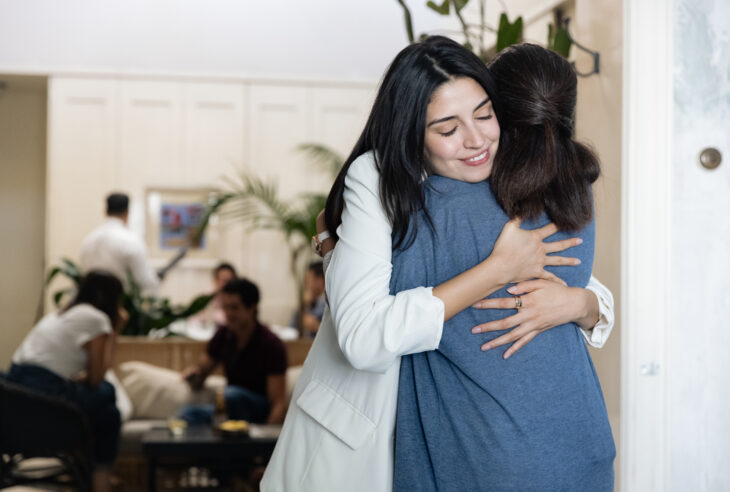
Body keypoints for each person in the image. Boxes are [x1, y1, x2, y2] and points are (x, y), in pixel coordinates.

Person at [261, 37, 614, 492]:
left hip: (492, 451)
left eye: (485, 115)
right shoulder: (389, 183)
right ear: (411, 131)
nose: (476, 140)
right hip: (402, 431)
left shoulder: (514, 189)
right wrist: (497, 270)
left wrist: (581, 303)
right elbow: (364, 332)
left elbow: (567, 277)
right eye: (447, 129)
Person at [392, 43, 615, 490]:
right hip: (583, 442)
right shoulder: (575, 194)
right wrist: (584, 303)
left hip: (486, 460)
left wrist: (330, 239)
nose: (473, 137)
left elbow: (368, 321)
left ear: (499, 114)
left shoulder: (429, 212)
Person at [6, 270, 127, 492]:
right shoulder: (96, 318)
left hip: (12, 391)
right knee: (107, 396)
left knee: (105, 410)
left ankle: (95, 476)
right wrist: (115, 329)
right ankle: (101, 479)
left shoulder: (60, 314)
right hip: (45, 394)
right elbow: (97, 378)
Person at [182, 277, 288, 424]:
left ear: (252, 308)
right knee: (187, 415)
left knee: (231, 395)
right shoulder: (223, 335)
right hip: (230, 409)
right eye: (225, 307)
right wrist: (194, 375)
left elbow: (278, 403)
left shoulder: (271, 344)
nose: (228, 313)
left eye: (234, 308)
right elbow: (202, 370)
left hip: (257, 411)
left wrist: (266, 440)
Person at [80, 192, 160, 293]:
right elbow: (145, 281)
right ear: (127, 212)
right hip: (120, 304)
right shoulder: (132, 241)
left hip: (91, 303)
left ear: (105, 212)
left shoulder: (88, 240)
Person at [189, 262, 237, 327]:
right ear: (215, 280)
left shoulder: (238, 299)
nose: (227, 284)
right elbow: (193, 318)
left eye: (230, 281)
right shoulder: (206, 297)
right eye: (224, 280)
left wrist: (211, 316)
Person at [298, 261, 326, 338]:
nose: (306, 283)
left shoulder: (327, 303)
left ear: (320, 280)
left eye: (309, 279)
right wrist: (305, 305)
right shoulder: (310, 301)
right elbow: (294, 325)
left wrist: (316, 326)